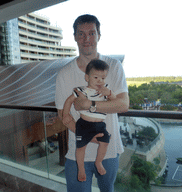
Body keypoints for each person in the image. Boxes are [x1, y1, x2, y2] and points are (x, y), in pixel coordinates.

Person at [55, 14, 129, 192]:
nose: (86, 39)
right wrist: (88, 135)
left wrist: (90, 106)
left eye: (91, 33)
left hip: (109, 151)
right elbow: (62, 115)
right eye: (81, 34)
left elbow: (123, 104)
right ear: (74, 37)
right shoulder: (64, 74)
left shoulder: (114, 66)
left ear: (99, 36)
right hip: (77, 151)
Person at [62, 59, 116, 182]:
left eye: (103, 78)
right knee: (80, 148)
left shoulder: (105, 90)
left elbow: (115, 102)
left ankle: (98, 161)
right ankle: (81, 168)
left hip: (100, 125)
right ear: (87, 77)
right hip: (84, 124)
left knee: (105, 142)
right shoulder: (81, 90)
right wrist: (65, 114)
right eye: (96, 77)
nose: (100, 81)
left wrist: (110, 93)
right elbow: (69, 101)